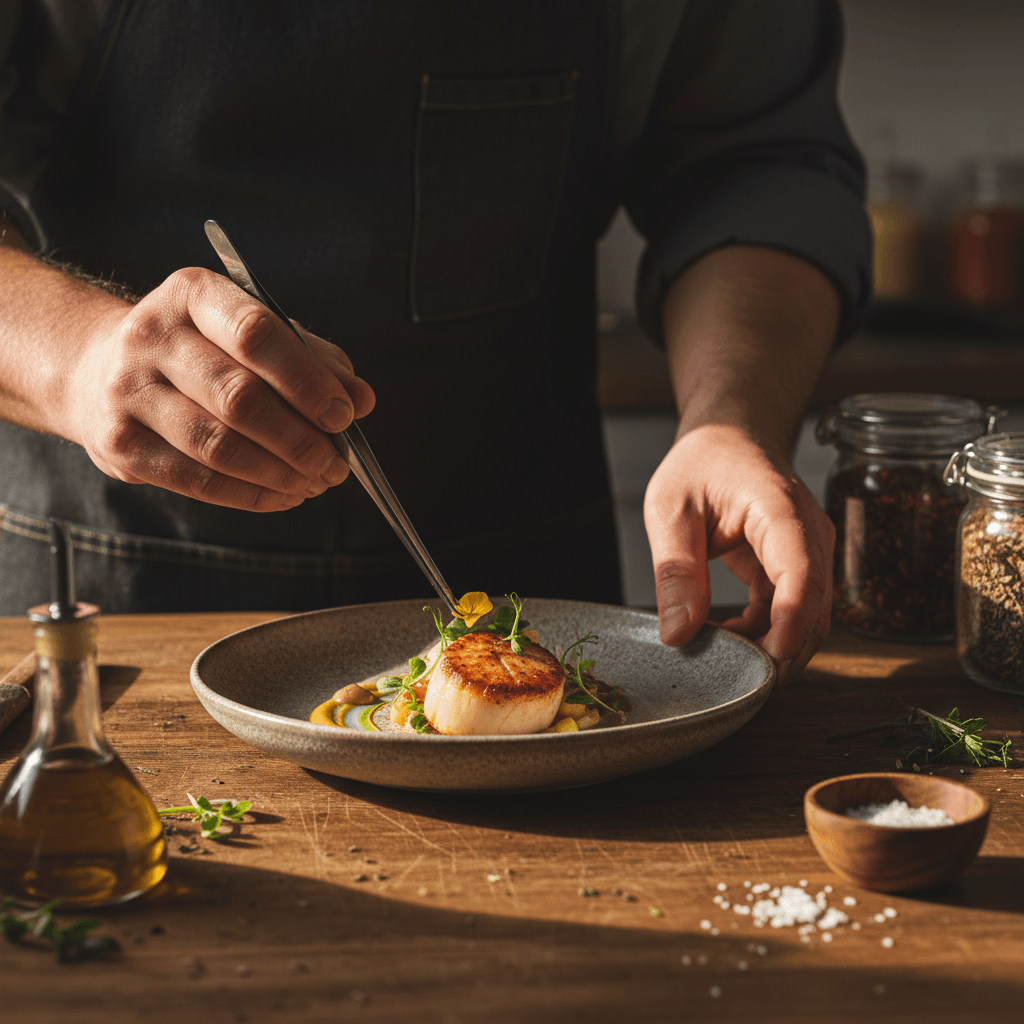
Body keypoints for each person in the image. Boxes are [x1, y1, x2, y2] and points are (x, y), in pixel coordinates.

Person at [0, 1, 870, 683]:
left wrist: (731, 418)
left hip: (528, 562)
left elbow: (757, 163)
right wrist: (76, 356)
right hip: (108, 601)